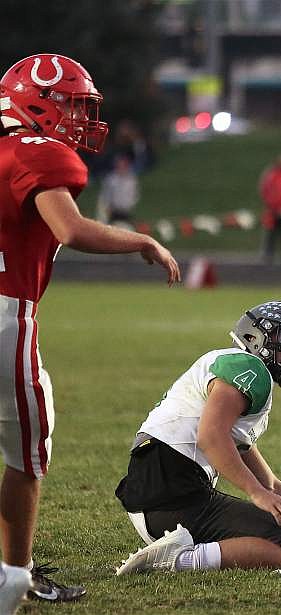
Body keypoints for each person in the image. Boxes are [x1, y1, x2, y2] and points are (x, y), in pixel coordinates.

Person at [0, 54, 180, 614]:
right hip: (6, 315)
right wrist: (143, 242)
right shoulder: (37, 153)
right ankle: (15, 576)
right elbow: (71, 229)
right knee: (27, 452)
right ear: (36, 102)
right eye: (72, 103)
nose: (80, 117)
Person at [115, 301, 281, 575]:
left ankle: (181, 551)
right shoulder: (249, 368)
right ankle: (177, 560)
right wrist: (255, 494)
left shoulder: (235, 373)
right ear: (254, 337)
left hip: (160, 492)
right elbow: (211, 437)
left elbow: (269, 483)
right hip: (172, 488)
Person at [97, 153, 140, 228]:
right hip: (113, 210)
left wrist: (129, 205)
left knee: (126, 228)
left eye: (124, 165)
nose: (121, 167)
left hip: (126, 210)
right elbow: (106, 194)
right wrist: (107, 207)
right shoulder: (111, 179)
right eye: (119, 165)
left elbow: (134, 195)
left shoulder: (131, 180)